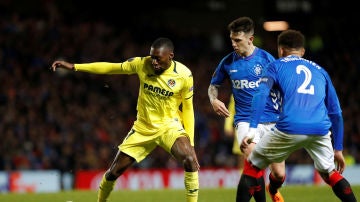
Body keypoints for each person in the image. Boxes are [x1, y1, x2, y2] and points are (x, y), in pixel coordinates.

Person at [51, 37, 200, 202]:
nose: (154, 62)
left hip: (169, 127)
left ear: (170, 56)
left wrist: (191, 143)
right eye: (152, 57)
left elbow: (187, 109)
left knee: (190, 159)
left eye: (158, 58)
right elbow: (111, 68)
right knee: (112, 173)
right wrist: (75, 67)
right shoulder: (142, 64)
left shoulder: (184, 75)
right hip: (143, 129)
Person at [242, 29, 357, 202]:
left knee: (252, 166)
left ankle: (270, 189)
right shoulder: (321, 71)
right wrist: (338, 149)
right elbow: (336, 113)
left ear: (281, 50)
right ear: (302, 51)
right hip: (320, 129)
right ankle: (273, 190)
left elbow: (260, 95)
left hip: (290, 126)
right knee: (330, 174)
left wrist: (252, 128)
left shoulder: (275, 66)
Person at [208, 16, 285, 202]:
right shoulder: (227, 62)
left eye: (238, 40)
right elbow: (213, 86)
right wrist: (214, 100)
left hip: (272, 121)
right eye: (232, 40)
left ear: (250, 39)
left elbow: (282, 88)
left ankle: (272, 188)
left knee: (279, 174)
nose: (233, 44)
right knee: (253, 163)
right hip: (244, 120)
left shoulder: (267, 59)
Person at [224, 94, 244, 173]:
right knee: (241, 156)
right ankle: (242, 180)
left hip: (257, 126)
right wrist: (227, 126)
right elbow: (231, 110)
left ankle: (258, 180)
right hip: (240, 126)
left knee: (257, 155)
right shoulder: (236, 90)